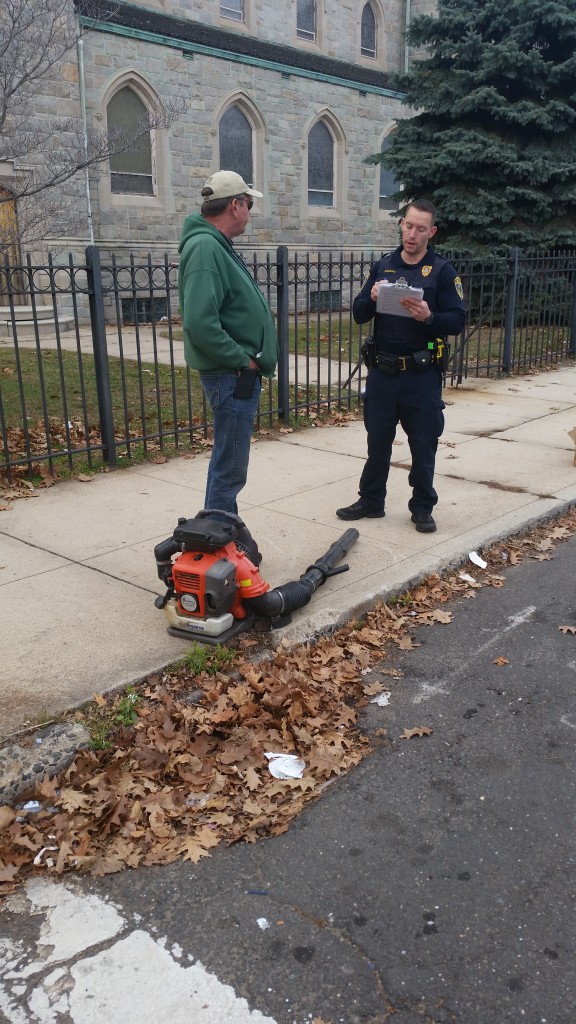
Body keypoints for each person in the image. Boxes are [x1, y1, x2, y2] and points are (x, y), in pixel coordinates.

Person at [336, 199, 465, 533]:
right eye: (408, 225)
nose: (412, 233)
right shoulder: (384, 266)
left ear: (431, 232)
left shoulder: (442, 271)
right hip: (383, 371)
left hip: (420, 374)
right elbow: (359, 311)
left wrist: (429, 317)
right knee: (377, 439)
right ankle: (371, 500)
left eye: (421, 228)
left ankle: (422, 507)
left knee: (423, 443)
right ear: (402, 224)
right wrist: (373, 297)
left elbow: (458, 320)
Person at [178, 171, 278, 515]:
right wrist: (242, 360)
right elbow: (200, 324)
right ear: (234, 205)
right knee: (230, 467)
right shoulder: (206, 247)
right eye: (249, 204)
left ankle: (221, 533)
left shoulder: (215, 244)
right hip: (231, 375)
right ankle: (218, 543)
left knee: (229, 463)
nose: (250, 212)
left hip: (234, 375)